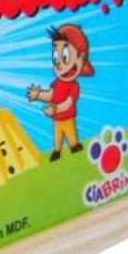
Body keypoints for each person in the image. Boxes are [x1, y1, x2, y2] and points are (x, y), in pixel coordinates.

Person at [26, 24, 95, 161]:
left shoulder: (74, 86)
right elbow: (50, 94)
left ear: (79, 59)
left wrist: (55, 109)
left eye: (64, 56)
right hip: (57, 119)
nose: (58, 63)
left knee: (71, 137)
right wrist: (38, 95)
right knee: (57, 137)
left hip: (67, 117)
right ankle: (57, 151)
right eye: (56, 57)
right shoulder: (57, 83)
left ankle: (74, 147)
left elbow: (68, 103)